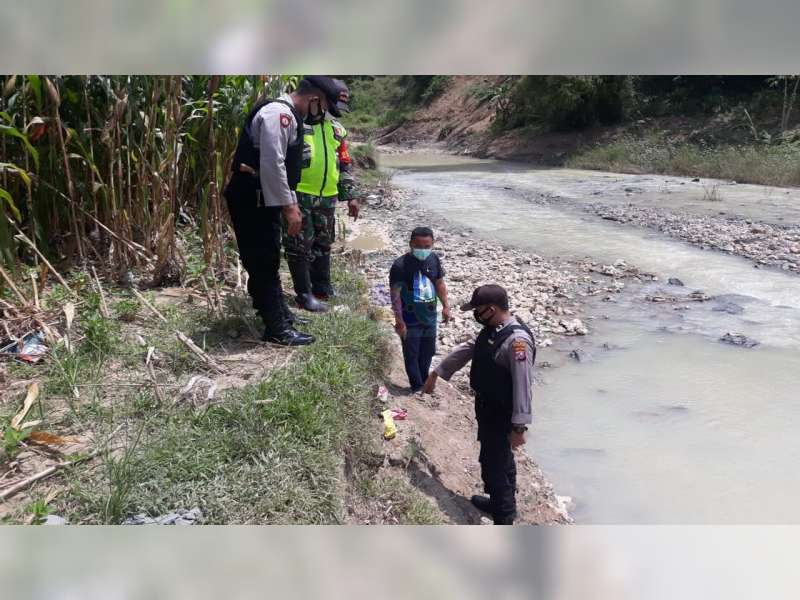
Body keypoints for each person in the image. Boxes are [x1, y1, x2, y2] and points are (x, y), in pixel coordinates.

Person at [223, 76, 343, 345]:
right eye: (324, 106)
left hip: (264, 197)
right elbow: (272, 163)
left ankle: (279, 314)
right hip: (252, 197)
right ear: (314, 99)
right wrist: (290, 207)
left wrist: (288, 201)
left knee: (268, 257)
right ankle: (276, 329)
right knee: (262, 260)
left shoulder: (286, 114)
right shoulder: (279, 115)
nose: (322, 113)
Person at [423, 284, 535, 525]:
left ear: (491, 309)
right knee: (496, 459)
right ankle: (499, 503)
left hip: (503, 415)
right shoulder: (493, 330)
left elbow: (523, 386)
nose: (475, 314)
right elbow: (469, 349)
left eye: (478, 309)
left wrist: (519, 427)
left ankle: (504, 518)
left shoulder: (517, 342)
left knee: (495, 465)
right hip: (487, 408)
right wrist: (438, 372)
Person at [282, 79, 360, 310]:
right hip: (300, 196)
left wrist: (351, 196)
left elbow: (344, 164)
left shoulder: (336, 130)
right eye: (330, 106)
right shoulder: (295, 124)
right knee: (299, 246)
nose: (332, 112)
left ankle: (322, 288)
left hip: (328, 196)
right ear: (316, 100)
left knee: (324, 243)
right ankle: (304, 294)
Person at [389, 227, 451, 393]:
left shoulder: (434, 259)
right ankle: (416, 387)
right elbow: (395, 295)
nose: (423, 250)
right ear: (411, 244)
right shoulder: (400, 266)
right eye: (419, 246)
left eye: (427, 246)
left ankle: (424, 380)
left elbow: (439, 283)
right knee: (412, 354)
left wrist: (446, 306)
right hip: (410, 318)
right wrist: (399, 320)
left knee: (428, 352)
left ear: (432, 244)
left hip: (430, 317)